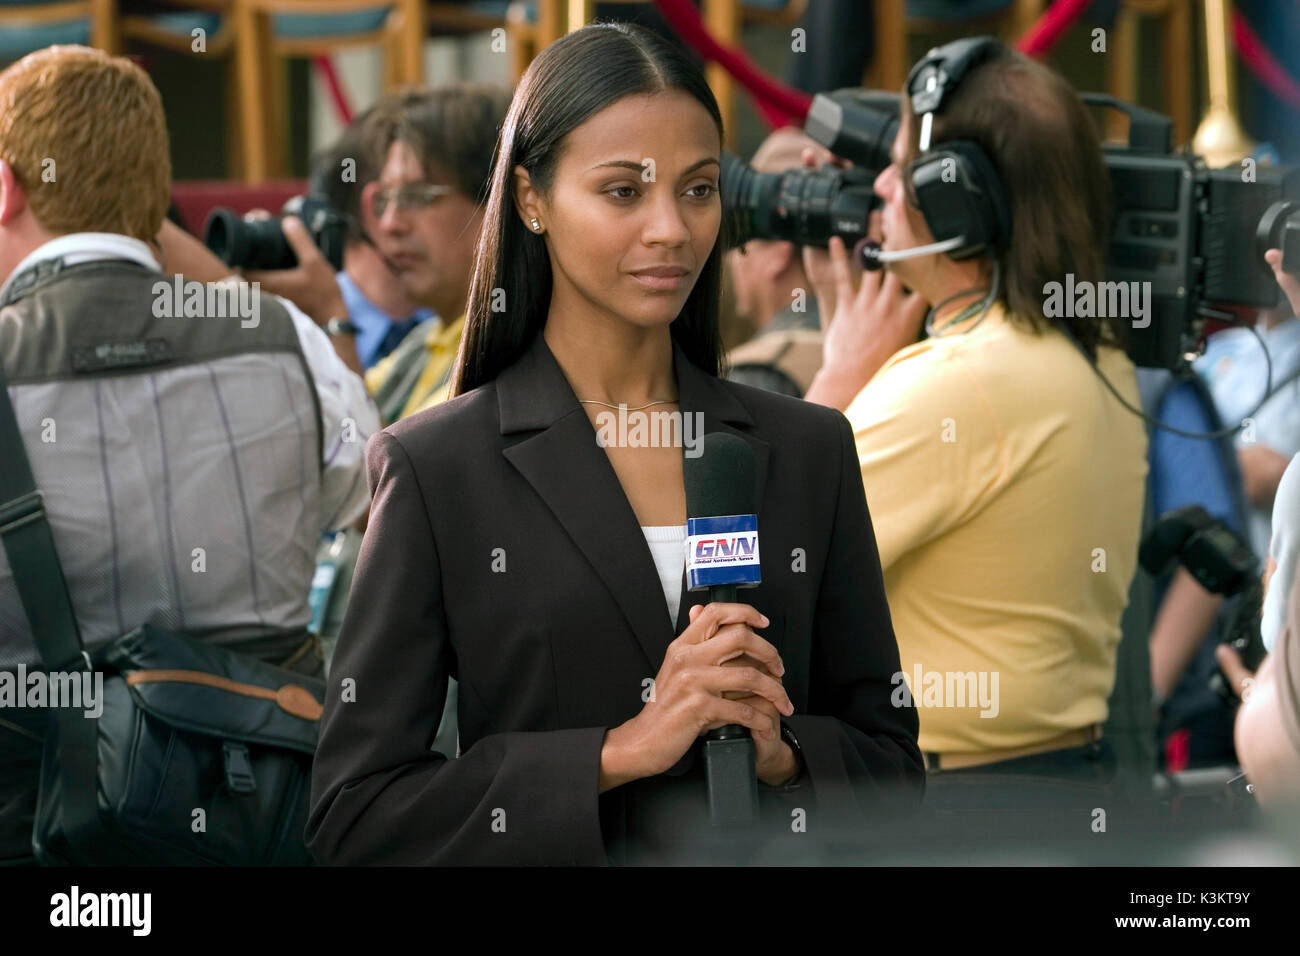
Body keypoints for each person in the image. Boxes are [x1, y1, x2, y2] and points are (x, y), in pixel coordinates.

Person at [306, 22, 924, 867]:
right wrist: (619, 750)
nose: (671, 228)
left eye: (698, 189)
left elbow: (892, 763)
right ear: (531, 200)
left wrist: (782, 754)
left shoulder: (807, 447)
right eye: (624, 192)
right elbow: (358, 816)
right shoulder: (436, 468)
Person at [0, 45, 377, 864]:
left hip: (35, 839)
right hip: (263, 818)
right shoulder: (290, 345)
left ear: (6, 185)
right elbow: (376, 505)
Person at [802, 39, 1148, 803]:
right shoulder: (1100, 356)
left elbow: (756, 564)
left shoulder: (956, 386)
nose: (882, 186)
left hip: (955, 810)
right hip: (1061, 786)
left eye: (902, 167)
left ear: (958, 202)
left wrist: (837, 379)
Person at [723, 128, 830, 398]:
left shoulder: (757, 374)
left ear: (778, 254)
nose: (732, 261)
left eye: (741, 241)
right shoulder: (897, 353)